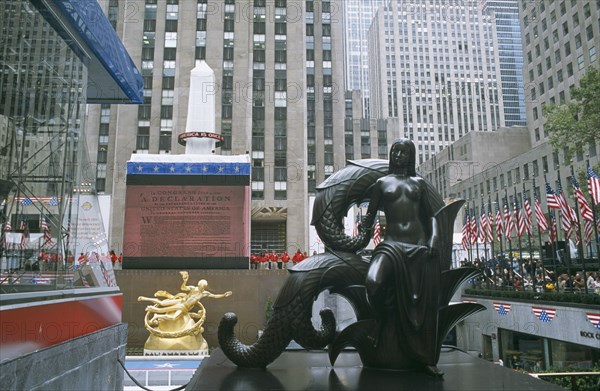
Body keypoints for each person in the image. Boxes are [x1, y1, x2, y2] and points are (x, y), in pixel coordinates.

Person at [361, 138, 449, 376]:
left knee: (420, 302)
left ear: (411, 156)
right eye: (395, 151)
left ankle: (425, 358)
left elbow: (431, 216)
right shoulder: (381, 183)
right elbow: (369, 218)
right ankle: (381, 320)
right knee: (373, 282)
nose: (399, 155)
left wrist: (433, 239)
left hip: (418, 246)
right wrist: (361, 232)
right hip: (390, 244)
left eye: (403, 152)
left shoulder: (419, 183)